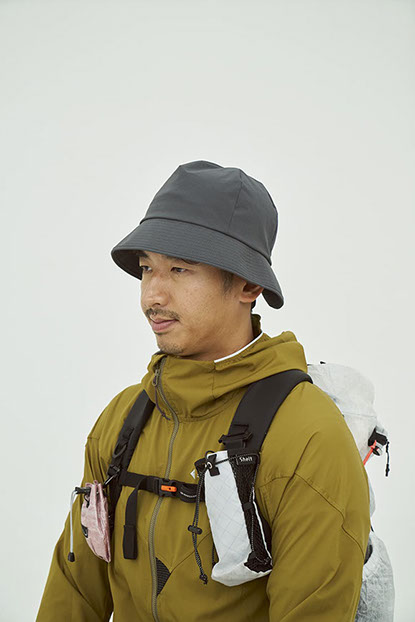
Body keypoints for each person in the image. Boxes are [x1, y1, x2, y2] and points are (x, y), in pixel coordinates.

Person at [36, 160, 371, 621]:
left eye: (179, 269)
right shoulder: (122, 420)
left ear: (248, 284)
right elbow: (74, 592)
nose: (152, 296)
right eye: (147, 268)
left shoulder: (308, 435)